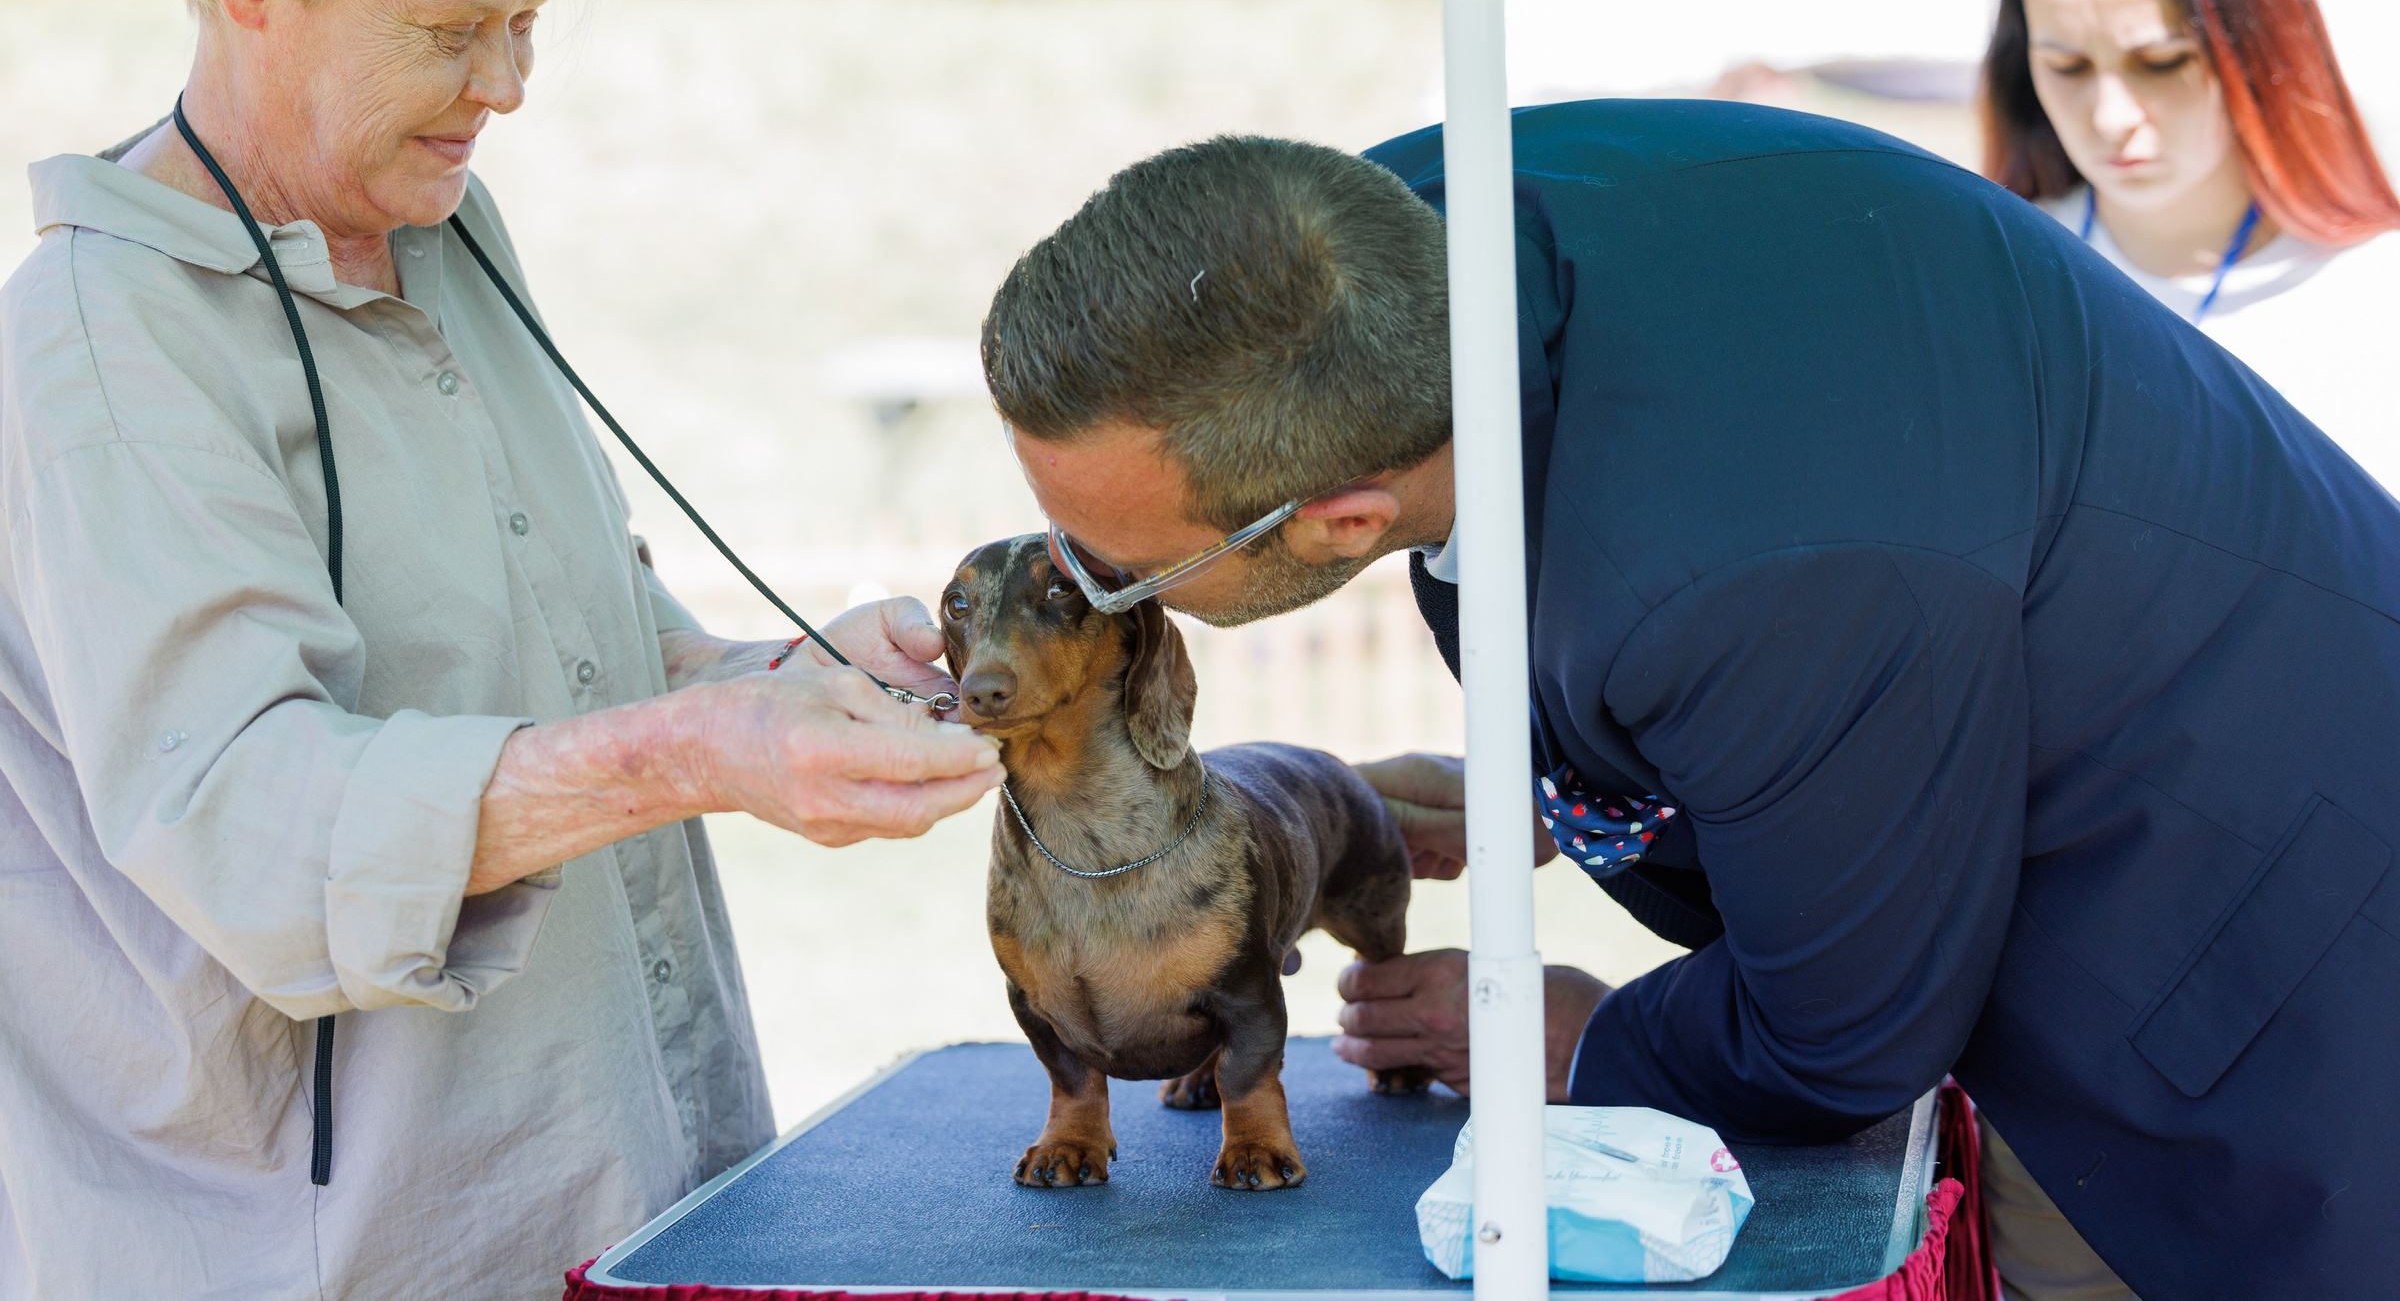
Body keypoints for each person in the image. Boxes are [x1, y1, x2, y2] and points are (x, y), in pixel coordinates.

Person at [0, 0, 1001, 1300]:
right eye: (446, 31)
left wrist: (784, 681)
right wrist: (700, 746)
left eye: (527, 22)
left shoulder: (446, 227)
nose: (506, 86)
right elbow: (262, 836)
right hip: (288, 1258)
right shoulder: (101, 342)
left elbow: (574, 660)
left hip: (589, 1204)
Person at [977, 109, 2400, 1301]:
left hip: (2265, 983)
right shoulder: (1367, 250)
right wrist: (1570, 784)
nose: (1081, 586)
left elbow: (1845, 1032)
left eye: (1120, 572)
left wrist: (1586, 1043)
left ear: (1345, 522)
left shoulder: (1756, 574)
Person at [1984, 0, 2400, 494]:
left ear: (2257, 43)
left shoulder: (2375, 299)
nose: (2111, 115)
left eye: (2161, 62)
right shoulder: (1991, 279)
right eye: (2067, 66)